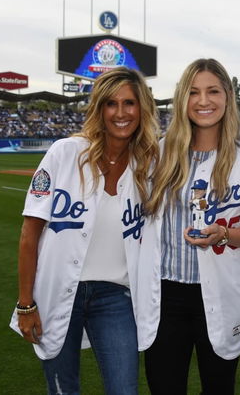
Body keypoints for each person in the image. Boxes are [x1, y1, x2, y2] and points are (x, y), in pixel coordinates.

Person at [9, 67, 160, 394]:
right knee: (64, 389)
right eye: (110, 103)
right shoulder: (64, 153)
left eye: (130, 103)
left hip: (116, 297)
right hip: (59, 291)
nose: (120, 113)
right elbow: (29, 234)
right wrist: (25, 304)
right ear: (98, 109)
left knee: (125, 389)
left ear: (142, 108)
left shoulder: (149, 164)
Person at [137, 58, 240, 395]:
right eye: (194, 92)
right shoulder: (157, 155)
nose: (204, 101)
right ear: (182, 99)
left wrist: (225, 234)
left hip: (219, 292)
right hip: (165, 295)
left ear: (228, 96)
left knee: (219, 389)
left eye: (213, 91)